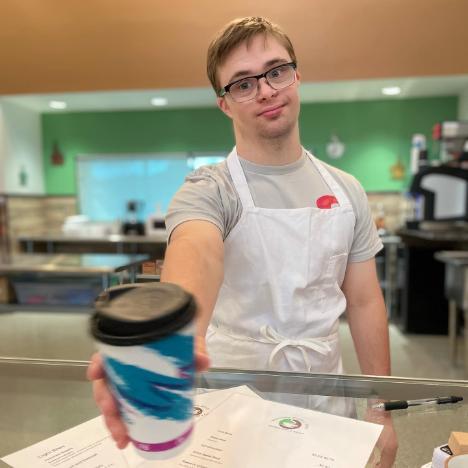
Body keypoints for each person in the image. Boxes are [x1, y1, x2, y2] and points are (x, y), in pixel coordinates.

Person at [88, 16, 397, 466]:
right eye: (243, 83)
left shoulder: (347, 190)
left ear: (296, 76)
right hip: (233, 400)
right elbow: (197, 248)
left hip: (326, 396)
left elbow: (366, 302)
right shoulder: (210, 189)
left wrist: (380, 408)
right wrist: (171, 334)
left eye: (276, 71)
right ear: (225, 104)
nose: (266, 90)